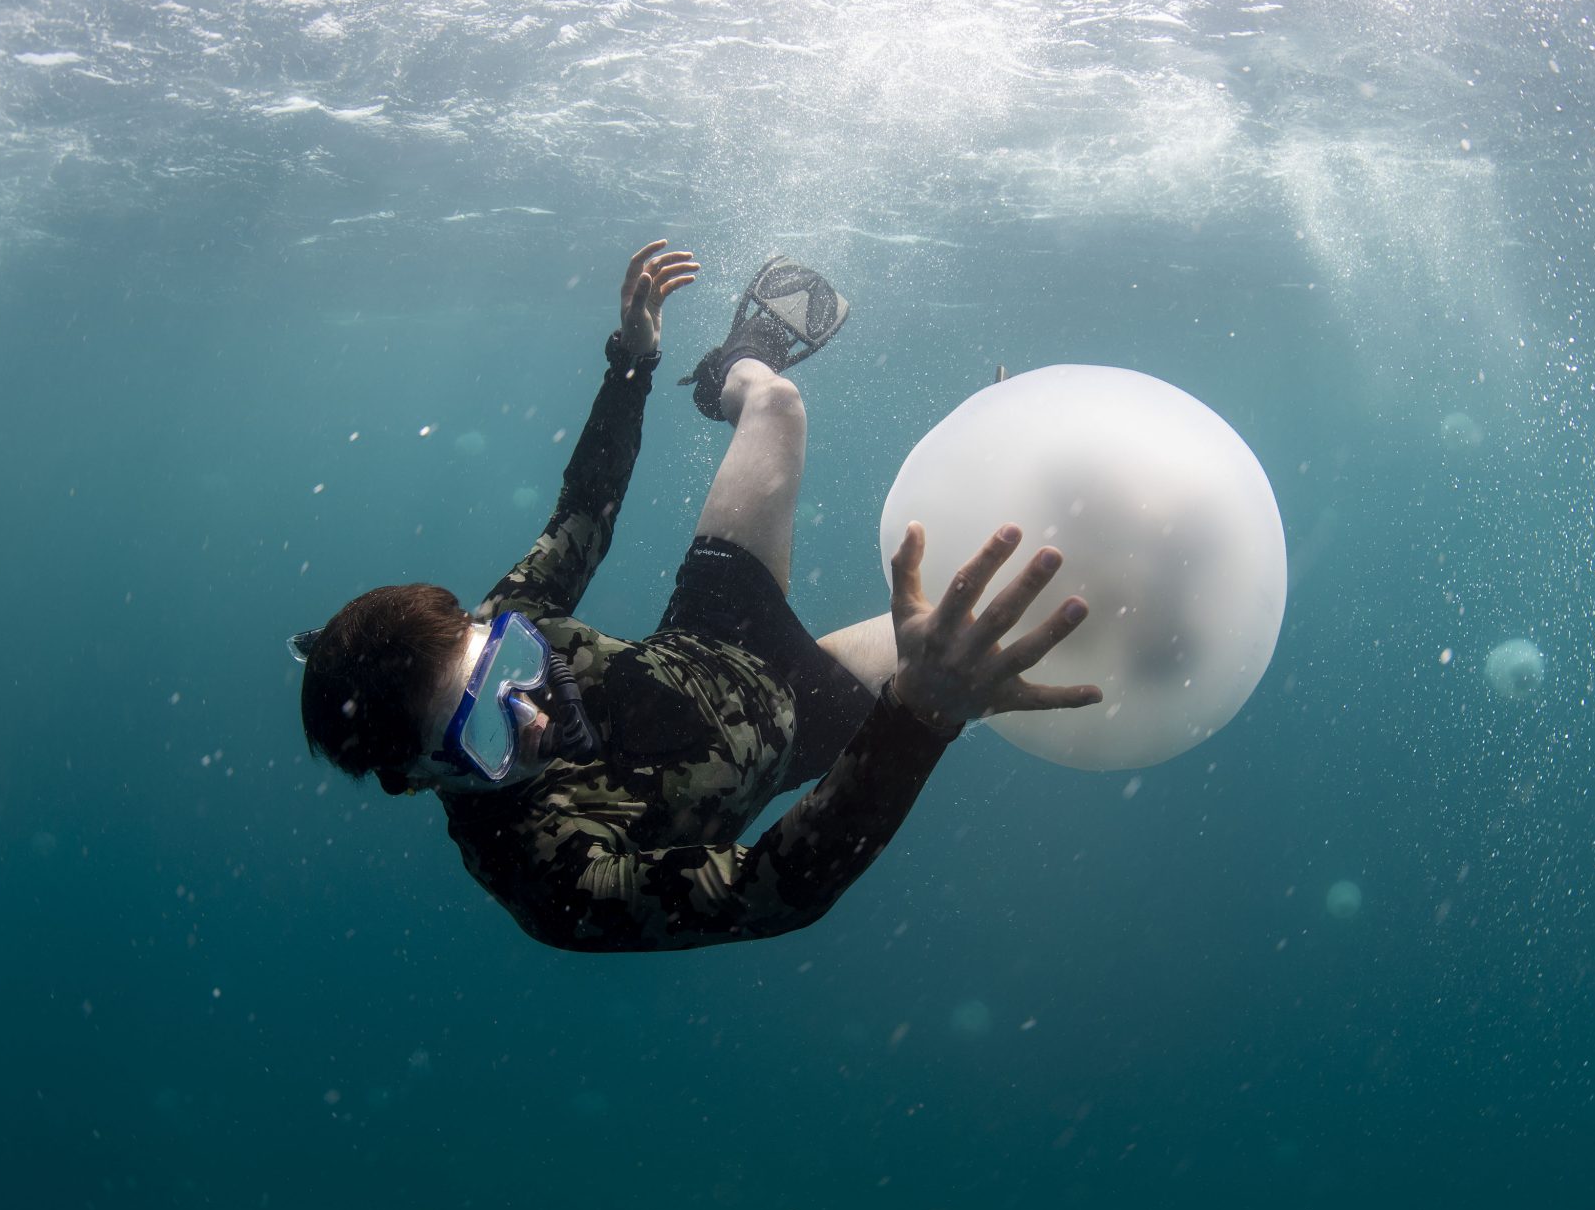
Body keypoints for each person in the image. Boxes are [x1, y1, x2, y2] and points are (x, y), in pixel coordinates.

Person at [293, 240, 1101, 951]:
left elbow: (585, 513)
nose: (531, 714)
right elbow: (772, 890)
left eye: (509, 669)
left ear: (487, 628)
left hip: (717, 628)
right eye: (481, 733)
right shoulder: (550, 877)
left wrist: (632, 364)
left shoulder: (513, 613)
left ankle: (734, 361)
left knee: (777, 403)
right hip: (808, 727)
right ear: (422, 778)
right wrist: (917, 722)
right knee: (974, 633)